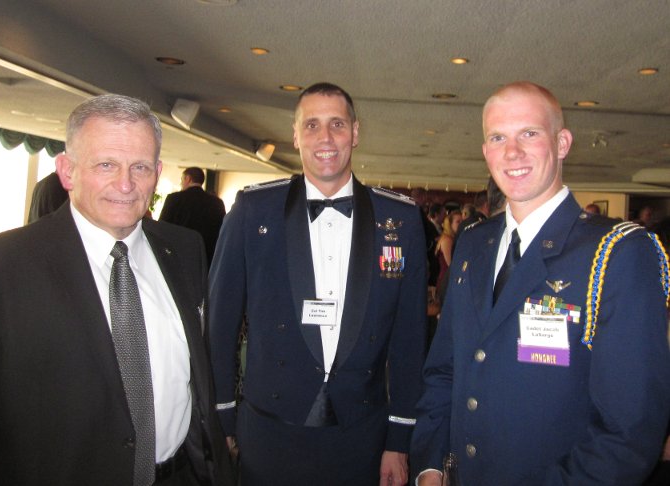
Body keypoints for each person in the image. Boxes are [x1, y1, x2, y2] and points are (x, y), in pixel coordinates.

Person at [410, 81, 670, 485]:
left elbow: (629, 431)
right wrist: (429, 463)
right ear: (485, 151)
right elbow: (445, 368)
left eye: (529, 133)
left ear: (563, 142)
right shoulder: (474, 243)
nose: (512, 152)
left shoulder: (617, 253)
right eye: (498, 137)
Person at [0, 94, 234, 486]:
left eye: (140, 167)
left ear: (158, 172)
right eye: (106, 164)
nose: (125, 184)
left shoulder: (185, 248)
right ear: (67, 171)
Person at [209, 82, 427, 486]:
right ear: (295, 135)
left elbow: (410, 339)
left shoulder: (400, 220)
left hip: (362, 436)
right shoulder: (254, 210)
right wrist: (222, 415)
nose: (324, 138)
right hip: (269, 433)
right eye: (311, 125)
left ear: (355, 133)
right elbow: (220, 325)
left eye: (336, 124)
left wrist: (399, 438)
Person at [159, 167, 226, 266]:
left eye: (182, 179)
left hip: (178, 254)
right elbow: (222, 231)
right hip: (207, 257)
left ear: (188, 179)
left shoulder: (174, 199)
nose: (181, 183)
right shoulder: (216, 203)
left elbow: (162, 227)